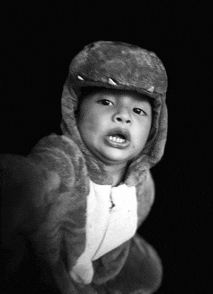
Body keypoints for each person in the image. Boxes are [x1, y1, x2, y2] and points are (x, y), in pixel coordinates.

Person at [0, 41, 168, 294]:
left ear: (154, 130)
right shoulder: (63, 159)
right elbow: (31, 181)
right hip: (51, 268)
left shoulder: (143, 185)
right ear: (75, 111)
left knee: (148, 271)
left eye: (138, 110)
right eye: (106, 102)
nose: (124, 116)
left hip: (94, 268)